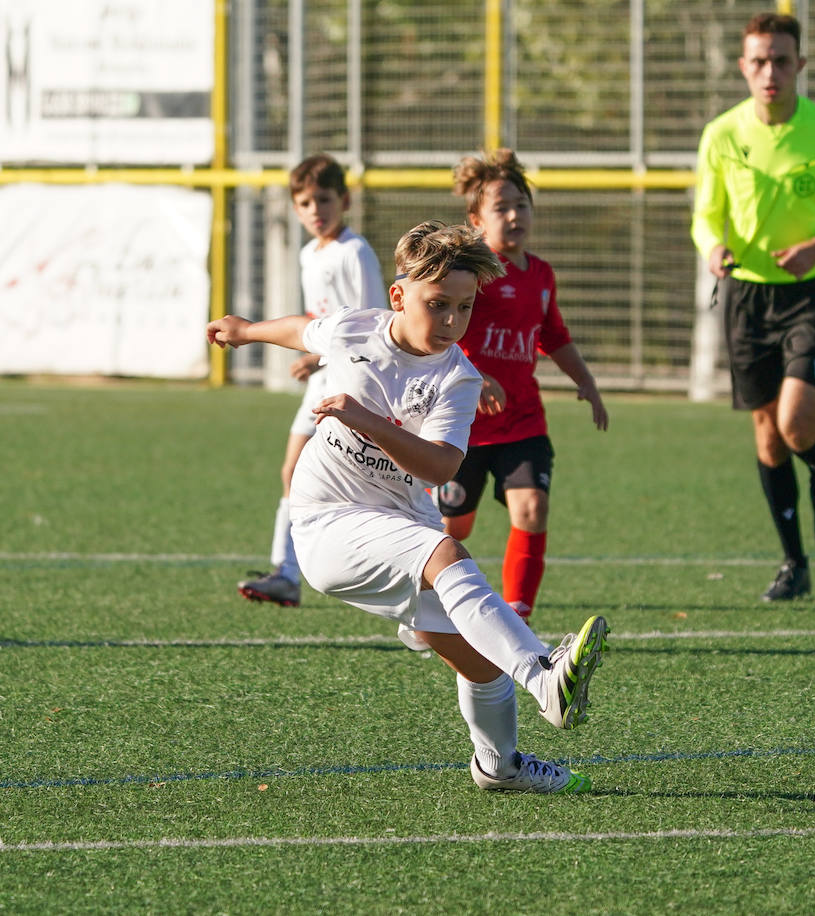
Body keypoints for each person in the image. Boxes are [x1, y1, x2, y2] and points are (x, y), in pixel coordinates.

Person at [208, 220, 609, 794]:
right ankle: (544, 675)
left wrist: (363, 418)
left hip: (399, 521)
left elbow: (441, 467)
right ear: (398, 296)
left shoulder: (458, 378)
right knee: (447, 551)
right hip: (326, 520)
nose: (451, 323)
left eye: (465, 308)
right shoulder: (355, 330)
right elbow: (304, 330)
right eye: (438, 304)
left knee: (479, 660)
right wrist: (246, 330)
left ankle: (499, 765)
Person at [691, 12, 815, 602]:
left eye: (780, 60)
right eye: (758, 61)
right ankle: (793, 562)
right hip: (746, 296)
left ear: (799, 65)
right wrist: (713, 246)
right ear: (744, 67)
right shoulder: (721, 134)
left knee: (797, 422)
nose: (769, 71)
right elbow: (705, 215)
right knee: (768, 437)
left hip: (811, 295)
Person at [430, 149, 608, 625]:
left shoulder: (542, 274)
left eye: (521, 205)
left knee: (532, 507)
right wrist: (476, 377)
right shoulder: (470, 276)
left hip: (523, 420)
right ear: (475, 219)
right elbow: (439, 334)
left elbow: (553, 336)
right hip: (464, 424)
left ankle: (516, 617)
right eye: (501, 207)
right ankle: (434, 612)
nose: (514, 216)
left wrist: (587, 381)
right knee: (452, 527)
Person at [238, 153, 388, 607]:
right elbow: (318, 323)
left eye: (323, 199)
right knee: (292, 471)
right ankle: (286, 573)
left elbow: (371, 322)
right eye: (303, 203)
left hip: (350, 385)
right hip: (321, 384)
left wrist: (318, 358)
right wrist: (312, 355)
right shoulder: (309, 253)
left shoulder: (354, 251)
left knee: (364, 487)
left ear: (343, 199)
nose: (314, 210)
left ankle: (404, 572)